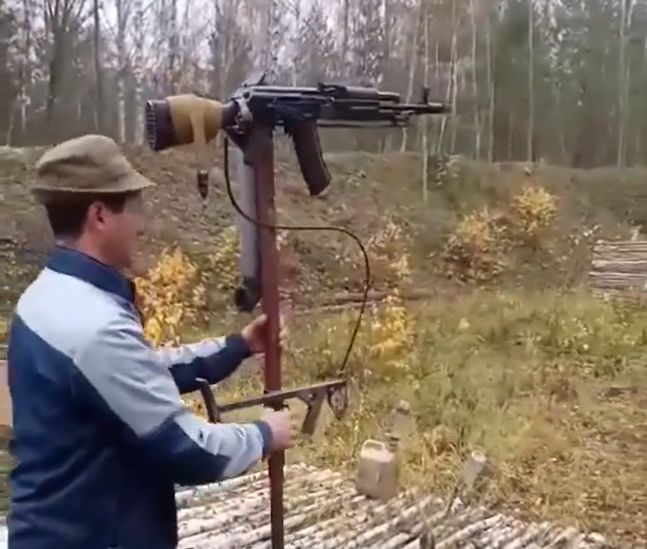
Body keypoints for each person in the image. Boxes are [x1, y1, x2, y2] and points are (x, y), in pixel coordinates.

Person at [6, 134, 296, 549]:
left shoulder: (48, 295)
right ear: (100, 215)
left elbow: (139, 372)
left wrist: (240, 345)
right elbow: (188, 451)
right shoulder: (94, 326)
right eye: (135, 208)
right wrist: (265, 434)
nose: (143, 224)